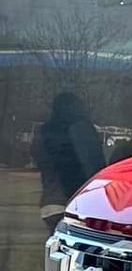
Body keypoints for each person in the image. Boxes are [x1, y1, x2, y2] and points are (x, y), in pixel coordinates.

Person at [33, 91, 106, 234]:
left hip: (50, 203)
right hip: (77, 203)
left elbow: (39, 160)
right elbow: (94, 167)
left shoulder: (43, 132)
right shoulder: (80, 128)